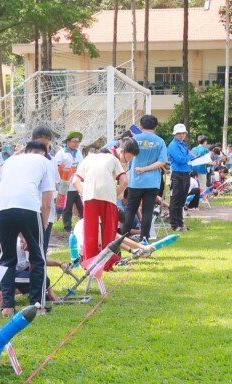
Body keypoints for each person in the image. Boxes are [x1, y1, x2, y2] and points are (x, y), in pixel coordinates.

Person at [0, 141, 55, 316]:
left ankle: (8, 307)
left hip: (1, 208)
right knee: (37, 257)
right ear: (43, 153)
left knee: (7, 258)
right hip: (29, 207)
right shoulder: (45, 162)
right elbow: (47, 203)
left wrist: (25, 235)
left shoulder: (11, 160)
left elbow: (12, 199)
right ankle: (37, 306)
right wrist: (40, 232)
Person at [73, 138, 136, 272]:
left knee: (90, 231)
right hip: (107, 196)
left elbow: (75, 182)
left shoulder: (87, 159)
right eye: (128, 158)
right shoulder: (113, 159)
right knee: (109, 231)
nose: (127, 161)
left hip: (89, 197)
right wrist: (115, 194)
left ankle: (89, 264)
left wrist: (85, 194)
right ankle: (106, 265)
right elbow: (124, 181)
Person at [124, 115, 168, 244]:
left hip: (135, 181)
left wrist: (141, 169)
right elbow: (162, 162)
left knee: (130, 209)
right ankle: (145, 238)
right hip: (152, 182)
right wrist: (147, 168)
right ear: (156, 126)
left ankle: (123, 238)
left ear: (141, 126)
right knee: (147, 210)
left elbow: (125, 157)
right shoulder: (159, 141)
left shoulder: (134, 139)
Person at [53, 131, 85, 232]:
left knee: (82, 207)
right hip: (67, 185)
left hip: (79, 184)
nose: (76, 144)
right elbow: (57, 169)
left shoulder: (79, 153)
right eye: (74, 141)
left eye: (78, 142)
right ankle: (67, 227)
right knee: (67, 208)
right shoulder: (61, 154)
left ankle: (85, 224)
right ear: (68, 142)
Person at [166, 125, 194, 232]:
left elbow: (186, 158)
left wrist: (190, 157)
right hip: (177, 174)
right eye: (179, 133)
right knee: (175, 200)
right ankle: (174, 224)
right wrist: (191, 156)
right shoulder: (173, 145)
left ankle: (180, 223)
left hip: (185, 173)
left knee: (182, 200)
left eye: (183, 133)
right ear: (175, 134)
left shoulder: (183, 145)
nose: (182, 135)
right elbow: (180, 159)